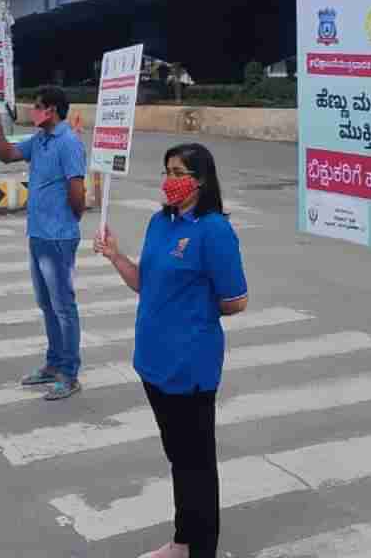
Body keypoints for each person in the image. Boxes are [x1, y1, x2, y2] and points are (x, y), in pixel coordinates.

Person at [94, 143, 247, 558]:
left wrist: (191, 309)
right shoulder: (160, 223)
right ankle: (182, 542)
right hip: (153, 361)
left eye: (178, 171)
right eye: (166, 170)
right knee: (179, 459)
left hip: (190, 365)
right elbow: (144, 282)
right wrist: (115, 256)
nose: (169, 179)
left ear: (199, 180)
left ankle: (201, 550)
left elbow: (235, 300)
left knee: (197, 466)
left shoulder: (214, 230)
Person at [0, 87, 87, 400]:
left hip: (58, 237)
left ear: (53, 111)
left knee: (63, 307)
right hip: (39, 234)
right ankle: (53, 363)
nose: (33, 111)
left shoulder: (68, 142)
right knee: (47, 304)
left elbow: (77, 190)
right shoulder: (40, 141)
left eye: (38, 107)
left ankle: (69, 374)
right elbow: (7, 155)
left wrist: (69, 220)